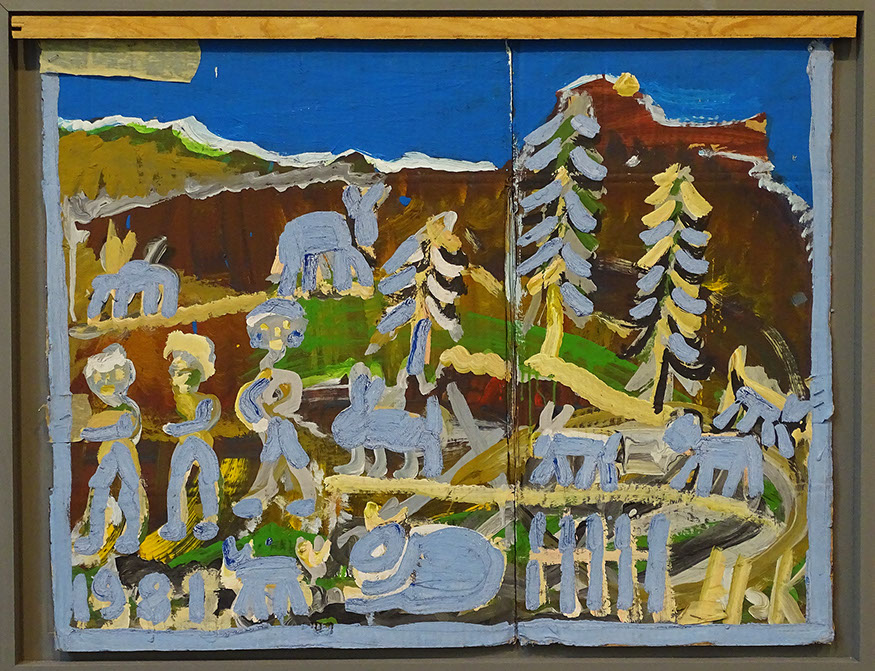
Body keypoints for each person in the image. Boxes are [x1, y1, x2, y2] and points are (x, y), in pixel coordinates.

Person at [233, 298, 318, 519]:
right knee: (281, 443)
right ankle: (304, 494)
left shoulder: (290, 368)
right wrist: (258, 416)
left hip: (282, 420)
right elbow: (251, 396)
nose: (276, 333)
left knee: (282, 439)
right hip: (266, 421)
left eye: (282, 327)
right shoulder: (265, 366)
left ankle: (266, 492)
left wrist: (274, 408)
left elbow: (292, 399)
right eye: (268, 328)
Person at [74, 344, 146, 556]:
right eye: (99, 377)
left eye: (112, 375)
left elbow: (123, 429)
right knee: (98, 496)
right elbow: (93, 428)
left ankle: (131, 535)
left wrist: (90, 432)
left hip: (125, 458)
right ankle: (95, 537)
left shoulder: (128, 407)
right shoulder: (106, 411)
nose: (106, 382)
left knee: (127, 495)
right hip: (107, 459)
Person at [159, 331, 222, 542]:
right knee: (175, 482)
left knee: (208, 479)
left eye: (183, 372)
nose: (176, 379)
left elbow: (203, 421)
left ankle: (210, 520)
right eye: (174, 373)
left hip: (201, 444)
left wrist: (179, 430)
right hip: (185, 444)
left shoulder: (208, 400)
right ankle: (175, 522)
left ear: (198, 373)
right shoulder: (179, 401)